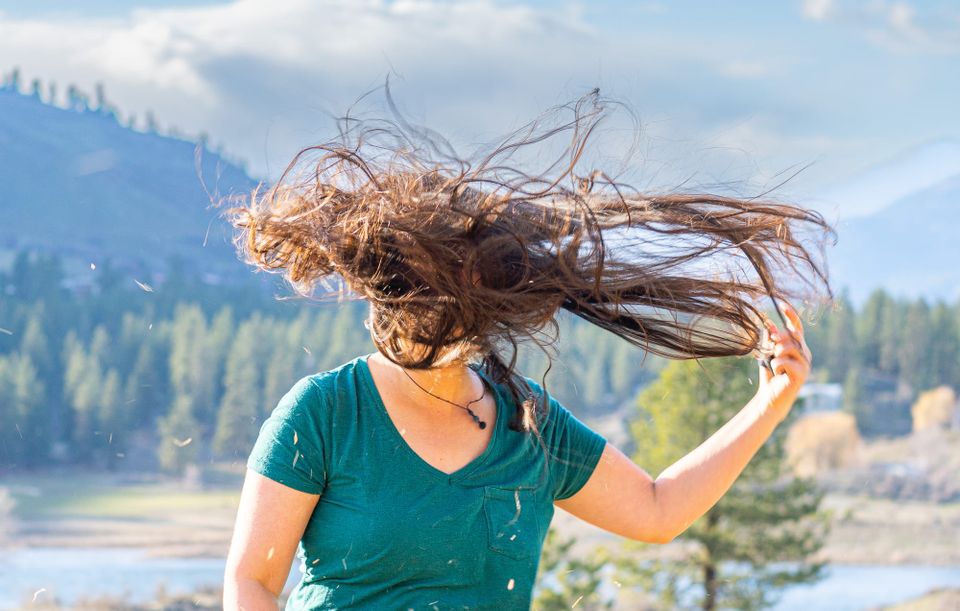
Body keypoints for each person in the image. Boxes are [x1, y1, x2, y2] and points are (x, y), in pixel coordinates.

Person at [220, 88, 832, 610]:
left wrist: (771, 404)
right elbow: (252, 580)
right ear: (390, 296)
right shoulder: (326, 413)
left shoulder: (528, 424)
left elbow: (656, 509)